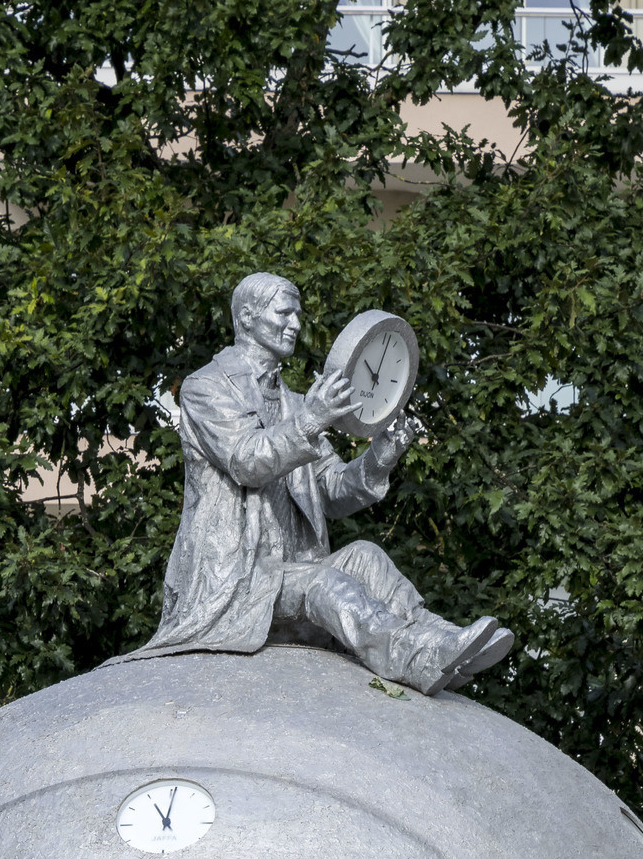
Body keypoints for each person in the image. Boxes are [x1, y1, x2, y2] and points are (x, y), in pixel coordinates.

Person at [128, 271, 512, 695]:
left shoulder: (293, 402)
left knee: (366, 556)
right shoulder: (207, 388)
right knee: (324, 583)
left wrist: (378, 460)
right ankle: (413, 657)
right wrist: (310, 420)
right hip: (239, 581)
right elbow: (246, 461)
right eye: (284, 312)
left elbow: (330, 488)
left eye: (298, 314)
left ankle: (442, 641)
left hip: (289, 572)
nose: (295, 323)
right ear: (249, 318)